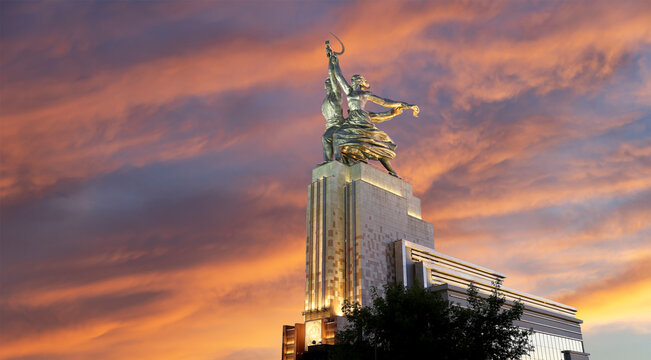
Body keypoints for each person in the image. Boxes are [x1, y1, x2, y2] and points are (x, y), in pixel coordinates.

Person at [328, 52, 419, 177]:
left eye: (355, 80)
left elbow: (385, 102)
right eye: (352, 80)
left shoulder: (366, 94)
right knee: (337, 136)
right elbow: (338, 76)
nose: (352, 82)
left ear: (360, 82)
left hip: (362, 119)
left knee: (374, 143)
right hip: (352, 119)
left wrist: (407, 105)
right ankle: (338, 162)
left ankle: (392, 171)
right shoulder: (349, 91)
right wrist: (334, 61)